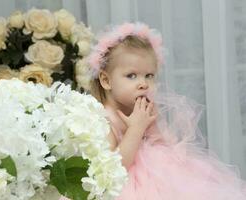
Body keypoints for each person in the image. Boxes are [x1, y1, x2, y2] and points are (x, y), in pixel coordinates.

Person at [88, 22, 246, 199]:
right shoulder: (102, 119)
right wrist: (136, 129)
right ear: (106, 80)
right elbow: (113, 169)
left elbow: (161, 145)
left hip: (156, 177)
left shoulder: (144, 107)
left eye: (149, 75)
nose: (143, 84)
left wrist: (151, 126)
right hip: (125, 188)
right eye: (131, 75)